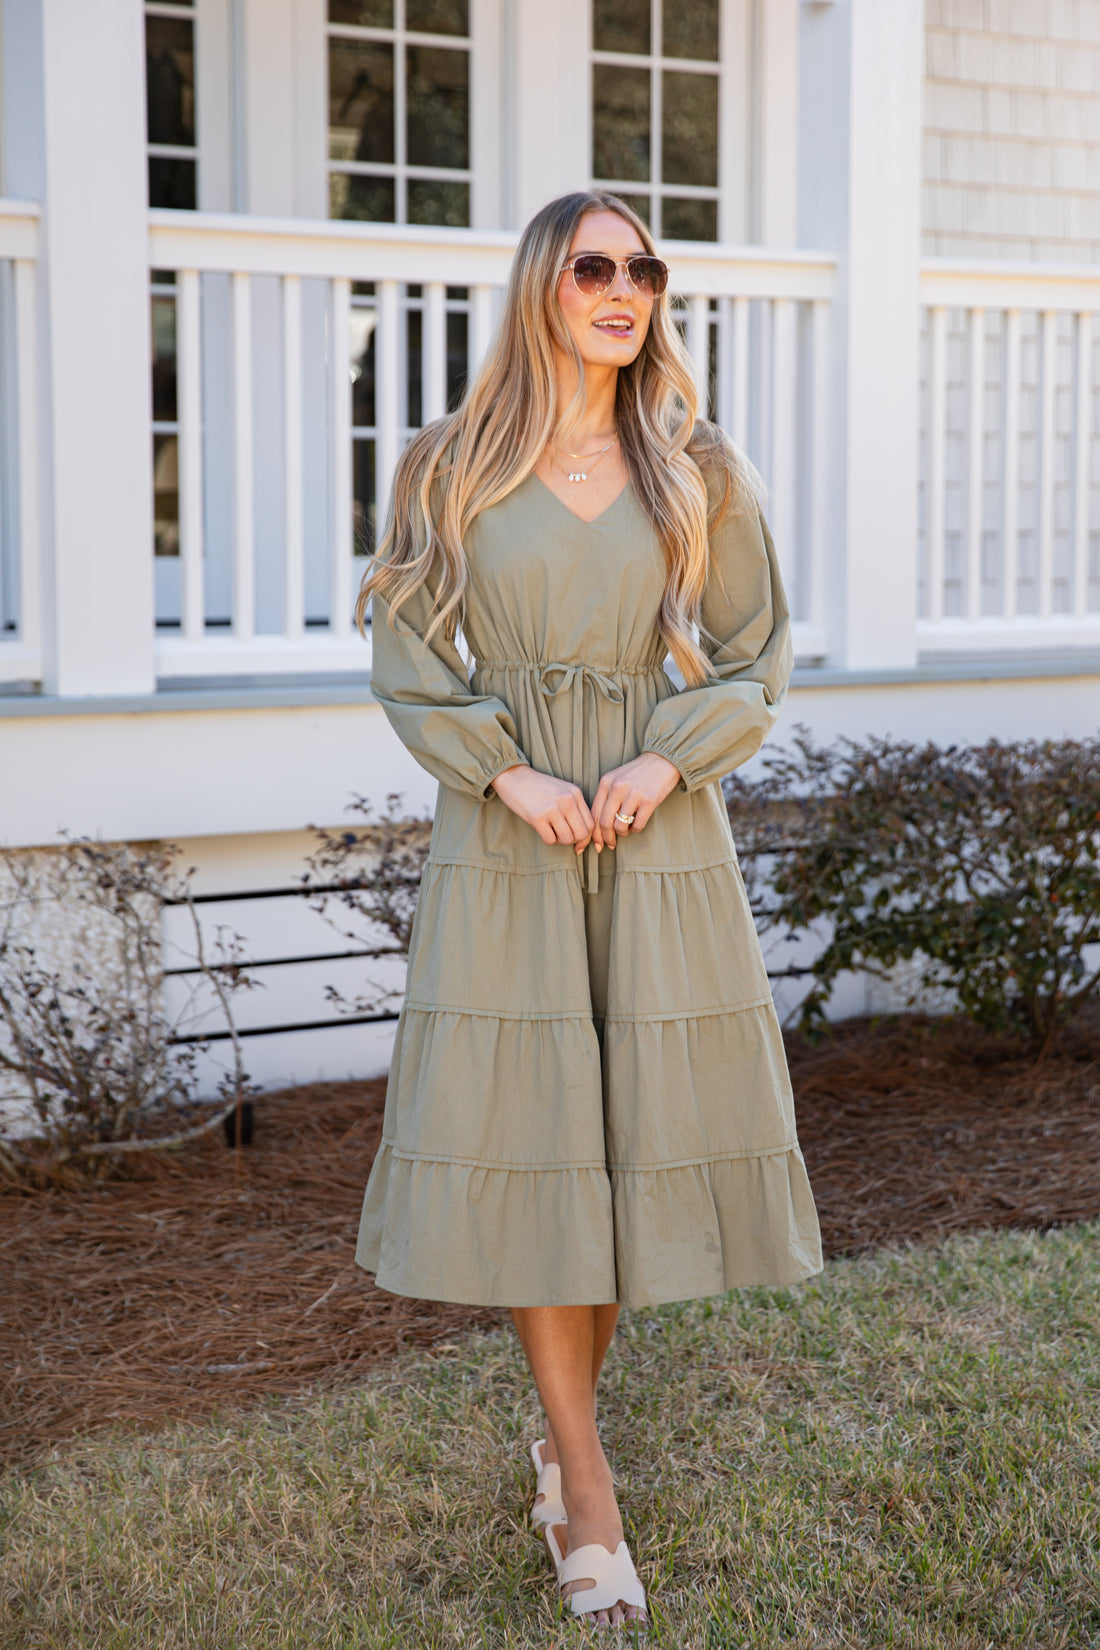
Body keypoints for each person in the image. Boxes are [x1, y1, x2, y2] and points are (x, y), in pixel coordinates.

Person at [352, 189, 824, 1630]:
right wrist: (504, 777)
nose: (626, 287)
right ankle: (587, 1482)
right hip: (513, 848)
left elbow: (756, 655)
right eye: (595, 265)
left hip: (651, 829)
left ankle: (564, 1452)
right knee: (542, 1139)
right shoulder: (449, 467)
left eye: (644, 267)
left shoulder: (693, 464)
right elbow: (408, 662)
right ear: (542, 285)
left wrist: (664, 752)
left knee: (621, 1146)